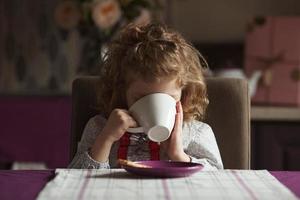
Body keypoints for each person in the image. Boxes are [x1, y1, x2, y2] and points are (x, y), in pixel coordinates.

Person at [69, 22, 223, 170]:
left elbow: (218, 179)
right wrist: (106, 139)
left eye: (168, 98)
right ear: (122, 91)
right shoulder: (100, 127)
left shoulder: (195, 132)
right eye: (141, 98)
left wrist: (179, 156)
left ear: (184, 92)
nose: (153, 108)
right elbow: (73, 180)